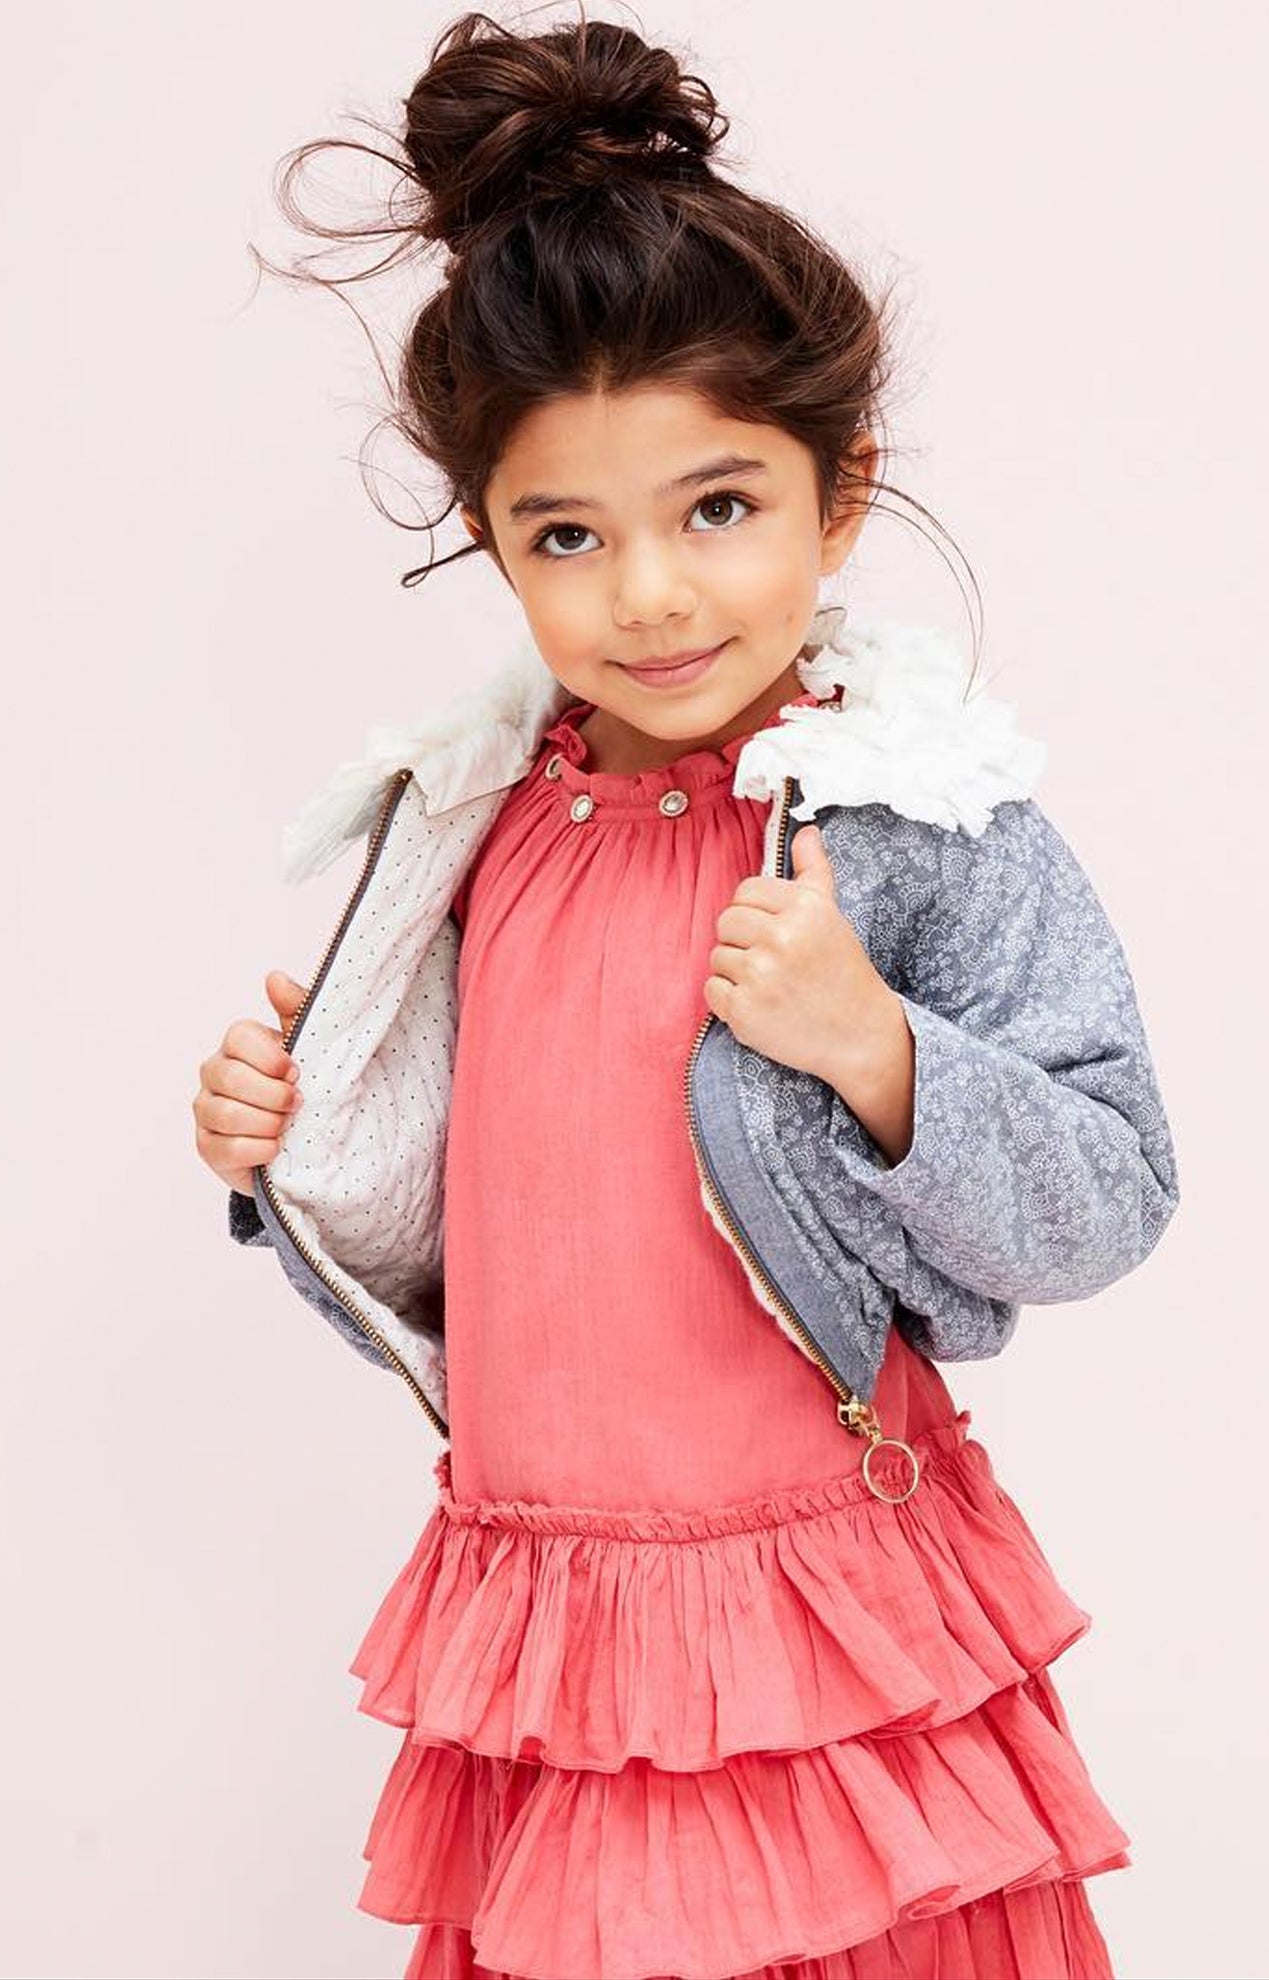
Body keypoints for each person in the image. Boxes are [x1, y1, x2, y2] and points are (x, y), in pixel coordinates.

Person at [193, 12, 1182, 1978]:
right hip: (552, 1638)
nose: (647, 592)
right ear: (492, 542)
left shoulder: (914, 821)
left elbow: (1109, 1191)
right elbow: (481, 1255)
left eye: (716, 509)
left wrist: (880, 1053)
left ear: (840, 488)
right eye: (568, 535)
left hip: (818, 1631)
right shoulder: (477, 826)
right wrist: (295, 1147)